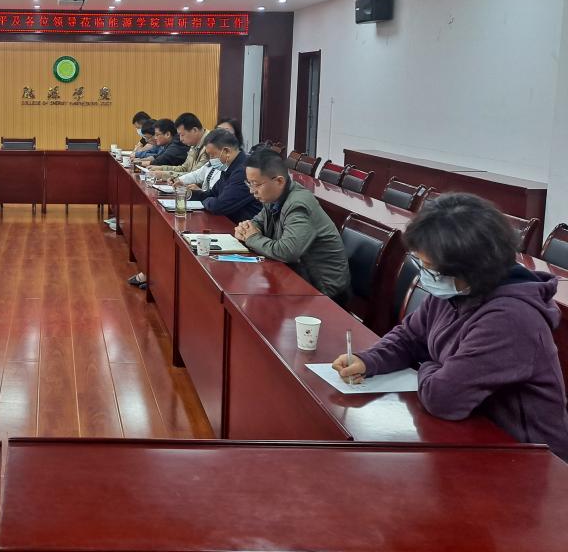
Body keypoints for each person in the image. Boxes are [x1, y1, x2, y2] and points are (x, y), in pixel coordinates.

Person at [332, 194, 568, 461]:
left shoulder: (511, 319)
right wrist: (369, 360)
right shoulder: (456, 290)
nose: (425, 276)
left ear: (471, 268)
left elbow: (443, 399)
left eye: (431, 268)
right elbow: (410, 337)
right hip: (471, 436)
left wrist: (430, 365)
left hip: (529, 458)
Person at [233, 148, 350, 302]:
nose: (252, 191)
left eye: (256, 184)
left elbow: (287, 251)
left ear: (279, 181)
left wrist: (251, 237)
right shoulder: (273, 197)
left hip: (323, 291)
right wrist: (246, 229)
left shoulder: (298, 204)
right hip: (296, 276)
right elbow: (258, 223)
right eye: (249, 183)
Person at [189, 129, 261, 221]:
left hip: (243, 225)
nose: (210, 160)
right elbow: (212, 193)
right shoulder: (228, 167)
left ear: (226, 151)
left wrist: (205, 201)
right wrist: (190, 194)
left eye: (212, 155)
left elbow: (219, 206)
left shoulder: (244, 171)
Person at [175, 118, 240, 189]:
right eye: (218, 131)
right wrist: (179, 180)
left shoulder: (238, 168)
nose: (221, 134)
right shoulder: (215, 157)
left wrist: (200, 192)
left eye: (226, 131)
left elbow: (221, 194)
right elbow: (197, 174)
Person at [149, 113, 209, 178]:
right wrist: (161, 168)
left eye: (182, 135)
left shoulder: (210, 145)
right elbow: (184, 168)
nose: (180, 139)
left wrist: (164, 175)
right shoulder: (194, 143)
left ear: (194, 130)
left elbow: (196, 176)